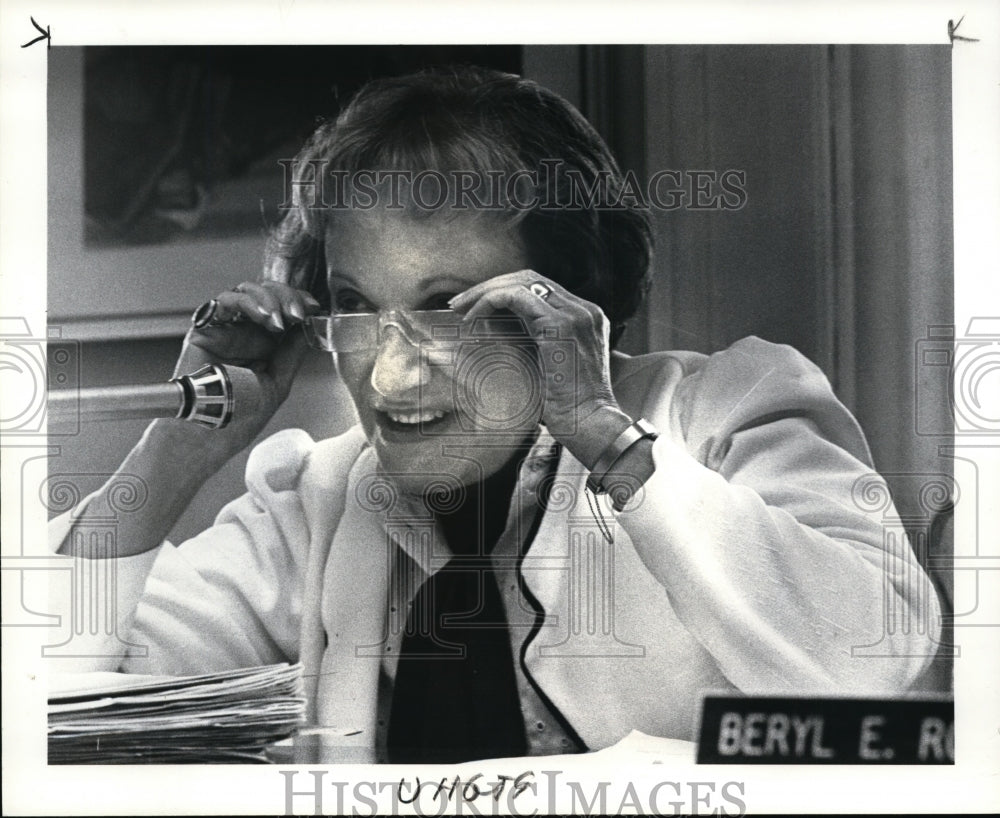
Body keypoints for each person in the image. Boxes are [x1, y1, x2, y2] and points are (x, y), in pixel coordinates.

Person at [52, 66, 942, 764]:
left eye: (447, 304)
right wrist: (179, 444)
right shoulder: (320, 496)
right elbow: (41, 690)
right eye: (358, 304)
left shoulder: (732, 411)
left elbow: (879, 663)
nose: (391, 374)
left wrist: (607, 436)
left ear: (572, 300)